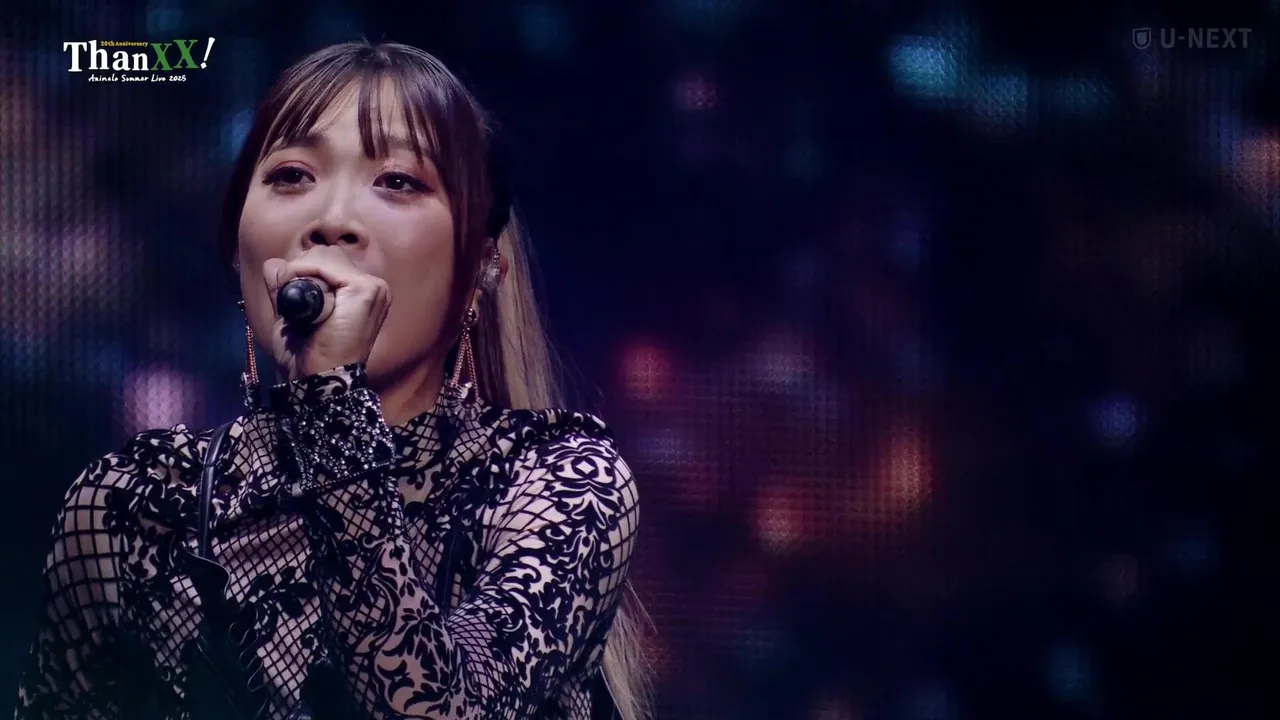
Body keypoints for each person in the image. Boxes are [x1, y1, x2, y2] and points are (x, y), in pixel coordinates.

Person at [14, 41, 649, 720]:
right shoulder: (131, 505)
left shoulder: (559, 481)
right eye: (291, 175)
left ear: (480, 268)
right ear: (238, 249)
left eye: (398, 181)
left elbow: (434, 706)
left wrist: (333, 403)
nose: (332, 221)